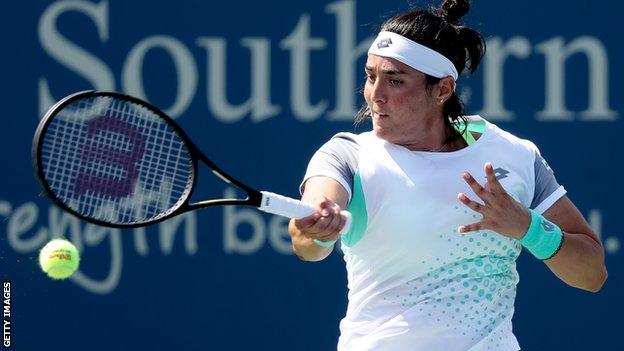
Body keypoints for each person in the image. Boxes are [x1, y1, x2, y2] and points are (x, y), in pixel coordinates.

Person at [287, 0, 608, 350]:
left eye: (394, 81)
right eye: (371, 76)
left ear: (442, 90)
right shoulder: (347, 154)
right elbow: (310, 239)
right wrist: (317, 230)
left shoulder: (515, 156)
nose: (374, 95)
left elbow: (592, 274)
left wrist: (528, 229)